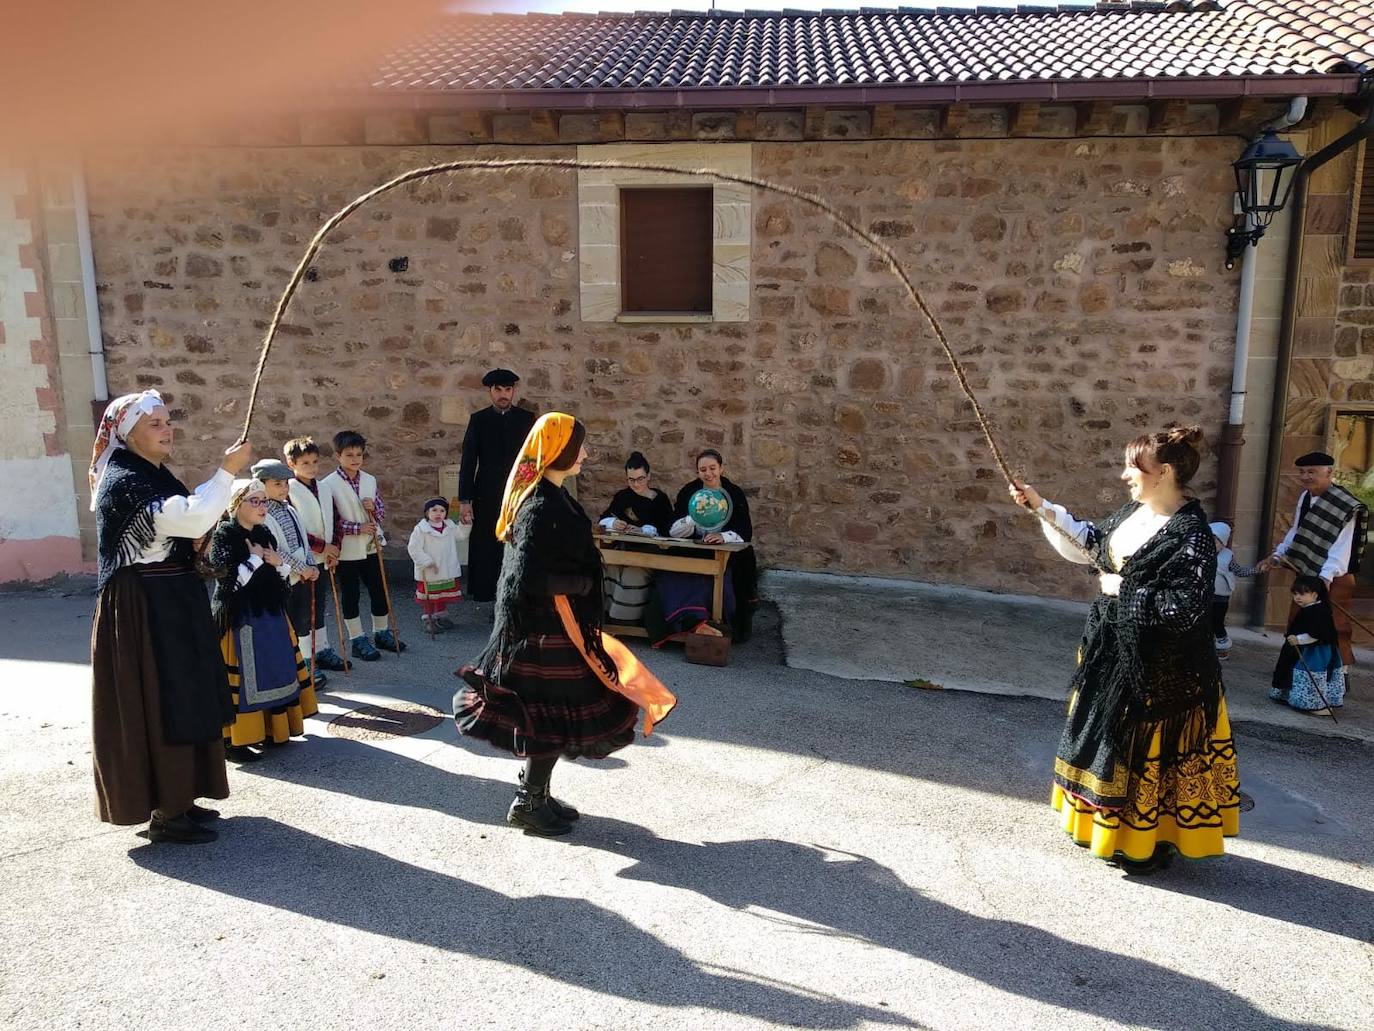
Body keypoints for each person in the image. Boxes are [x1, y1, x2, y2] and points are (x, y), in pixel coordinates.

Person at [1009, 425, 1240, 873]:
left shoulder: (1191, 534)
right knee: (1106, 742)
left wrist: (1125, 590)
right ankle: (1106, 830)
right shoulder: (1136, 514)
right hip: (1113, 653)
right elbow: (1093, 545)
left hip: (1163, 672)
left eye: (1133, 468)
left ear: (1164, 472)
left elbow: (1187, 608)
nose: (1124, 476)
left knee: (1149, 758)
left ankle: (1149, 845)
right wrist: (1042, 508)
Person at [454, 413, 676, 837]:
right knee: (549, 717)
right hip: (543, 628)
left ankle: (536, 793)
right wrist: (585, 582)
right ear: (557, 451)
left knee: (552, 716)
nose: (586, 454)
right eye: (579, 446)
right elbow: (529, 577)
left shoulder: (551, 493)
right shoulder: (538, 503)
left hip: (557, 622)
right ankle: (528, 804)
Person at [89, 389, 251, 844]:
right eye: (155, 423)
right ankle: (165, 812)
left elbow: (190, 515)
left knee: (187, 693)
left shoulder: (153, 474)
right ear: (129, 433)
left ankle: (185, 796)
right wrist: (228, 471)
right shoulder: (125, 480)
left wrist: (215, 490)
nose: (167, 428)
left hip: (172, 596)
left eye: (167, 420)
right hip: (144, 606)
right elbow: (193, 518)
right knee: (161, 700)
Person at [211, 480, 316, 762]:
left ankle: (274, 729)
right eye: (254, 501)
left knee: (275, 669)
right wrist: (256, 560)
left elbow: (279, 575)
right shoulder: (224, 536)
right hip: (240, 618)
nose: (261, 507)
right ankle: (235, 741)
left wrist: (276, 562)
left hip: (270, 613)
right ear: (236, 506)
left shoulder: (264, 532)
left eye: (263, 501)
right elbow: (228, 584)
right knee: (246, 680)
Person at [1258, 451, 1368, 666]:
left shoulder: (1345, 505)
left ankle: (1338, 673)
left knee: (1335, 626)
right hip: (1309, 573)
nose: (1306, 476)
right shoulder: (1305, 496)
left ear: (1329, 473)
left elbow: (1342, 546)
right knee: (1298, 620)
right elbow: (1297, 530)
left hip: (1335, 576)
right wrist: (1279, 554)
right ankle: (1294, 668)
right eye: (1303, 472)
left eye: (1312, 472)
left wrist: (1325, 578)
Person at [648, 449, 758, 643]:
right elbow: (672, 530)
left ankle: (714, 623)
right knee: (673, 573)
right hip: (692, 550)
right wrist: (693, 518)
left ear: (721, 468)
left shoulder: (734, 493)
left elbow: (744, 530)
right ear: (698, 472)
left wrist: (723, 536)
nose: (708, 473)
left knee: (723, 573)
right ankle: (687, 621)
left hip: (723, 554)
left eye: (712, 468)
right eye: (703, 469)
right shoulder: (689, 492)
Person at [458, 368, 537, 605]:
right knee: (488, 547)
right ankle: (493, 599)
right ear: (490, 392)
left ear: (514, 391)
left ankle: (517, 598)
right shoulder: (479, 420)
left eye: (508, 389)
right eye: (498, 390)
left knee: (518, 545)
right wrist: (465, 501)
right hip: (487, 494)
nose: (503, 394)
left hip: (520, 494)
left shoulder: (526, 419)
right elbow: (468, 461)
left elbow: (535, 459)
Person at [321, 429, 402, 660]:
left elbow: (381, 510)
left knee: (379, 589)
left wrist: (374, 510)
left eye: (359, 454)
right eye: (349, 455)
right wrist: (357, 528)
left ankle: (381, 632)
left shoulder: (369, 480)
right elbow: (331, 520)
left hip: (370, 546)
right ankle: (357, 639)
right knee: (351, 594)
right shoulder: (328, 485)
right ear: (338, 456)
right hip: (346, 550)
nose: (355, 459)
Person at [253, 457, 326, 688]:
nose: (284, 489)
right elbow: (277, 550)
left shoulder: (290, 509)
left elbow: (302, 540)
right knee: (285, 625)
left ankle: (305, 665)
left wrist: (311, 564)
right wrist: (301, 568)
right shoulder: (264, 516)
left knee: (302, 622)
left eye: (285, 484)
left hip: (302, 576)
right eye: (277, 484)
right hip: (283, 578)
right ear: (260, 485)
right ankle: (286, 668)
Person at [283, 436, 347, 672]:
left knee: (319, 605)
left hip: (324, 558)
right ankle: (304, 657)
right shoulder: (288, 491)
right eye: (305, 463)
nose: (311, 467)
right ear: (292, 464)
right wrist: (322, 547)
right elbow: (294, 528)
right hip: (302, 561)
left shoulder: (324, 488)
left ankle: (322, 649)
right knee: (302, 609)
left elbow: (336, 520)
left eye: (314, 462)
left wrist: (334, 547)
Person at [598, 451, 675, 625]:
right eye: (631, 480)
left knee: (632, 572)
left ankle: (626, 620)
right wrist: (614, 523)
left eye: (640, 479)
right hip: (623, 547)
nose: (636, 484)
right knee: (609, 566)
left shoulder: (659, 500)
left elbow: (668, 530)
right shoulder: (622, 497)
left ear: (648, 476)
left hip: (649, 553)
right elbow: (603, 519)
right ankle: (607, 617)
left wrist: (644, 530)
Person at [1270, 575, 1346, 716]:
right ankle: (1288, 695)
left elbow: (1317, 633)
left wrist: (1298, 639)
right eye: (1295, 594)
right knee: (1291, 670)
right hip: (1300, 648)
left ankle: (1314, 704)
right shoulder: (1309, 608)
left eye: (1302, 594)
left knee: (1309, 676)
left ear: (1315, 594)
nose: (1297, 597)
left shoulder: (1318, 611)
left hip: (1313, 652)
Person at [407, 497, 468, 634]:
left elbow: (461, 536)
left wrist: (466, 525)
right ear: (427, 512)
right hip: (430, 569)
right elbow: (414, 548)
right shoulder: (421, 530)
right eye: (434, 510)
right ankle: (429, 619)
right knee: (429, 596)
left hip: (445, 568)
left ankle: (441, 615)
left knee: (441, 594)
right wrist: (426, 561)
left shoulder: (450, 527)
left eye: (442, 510)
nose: (438, 513)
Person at [1209, 521, 1257, 660]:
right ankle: (1205, 646)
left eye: (1215, 542)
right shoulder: (1201, 554)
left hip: (1220, 597)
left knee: (1217, 622)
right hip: (1204, 594)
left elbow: (1239, 571)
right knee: (1204, 621)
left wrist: (1256, 570)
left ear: (1223, 543)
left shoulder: (1227, 556)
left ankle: (1222, 647)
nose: (1211, 545)